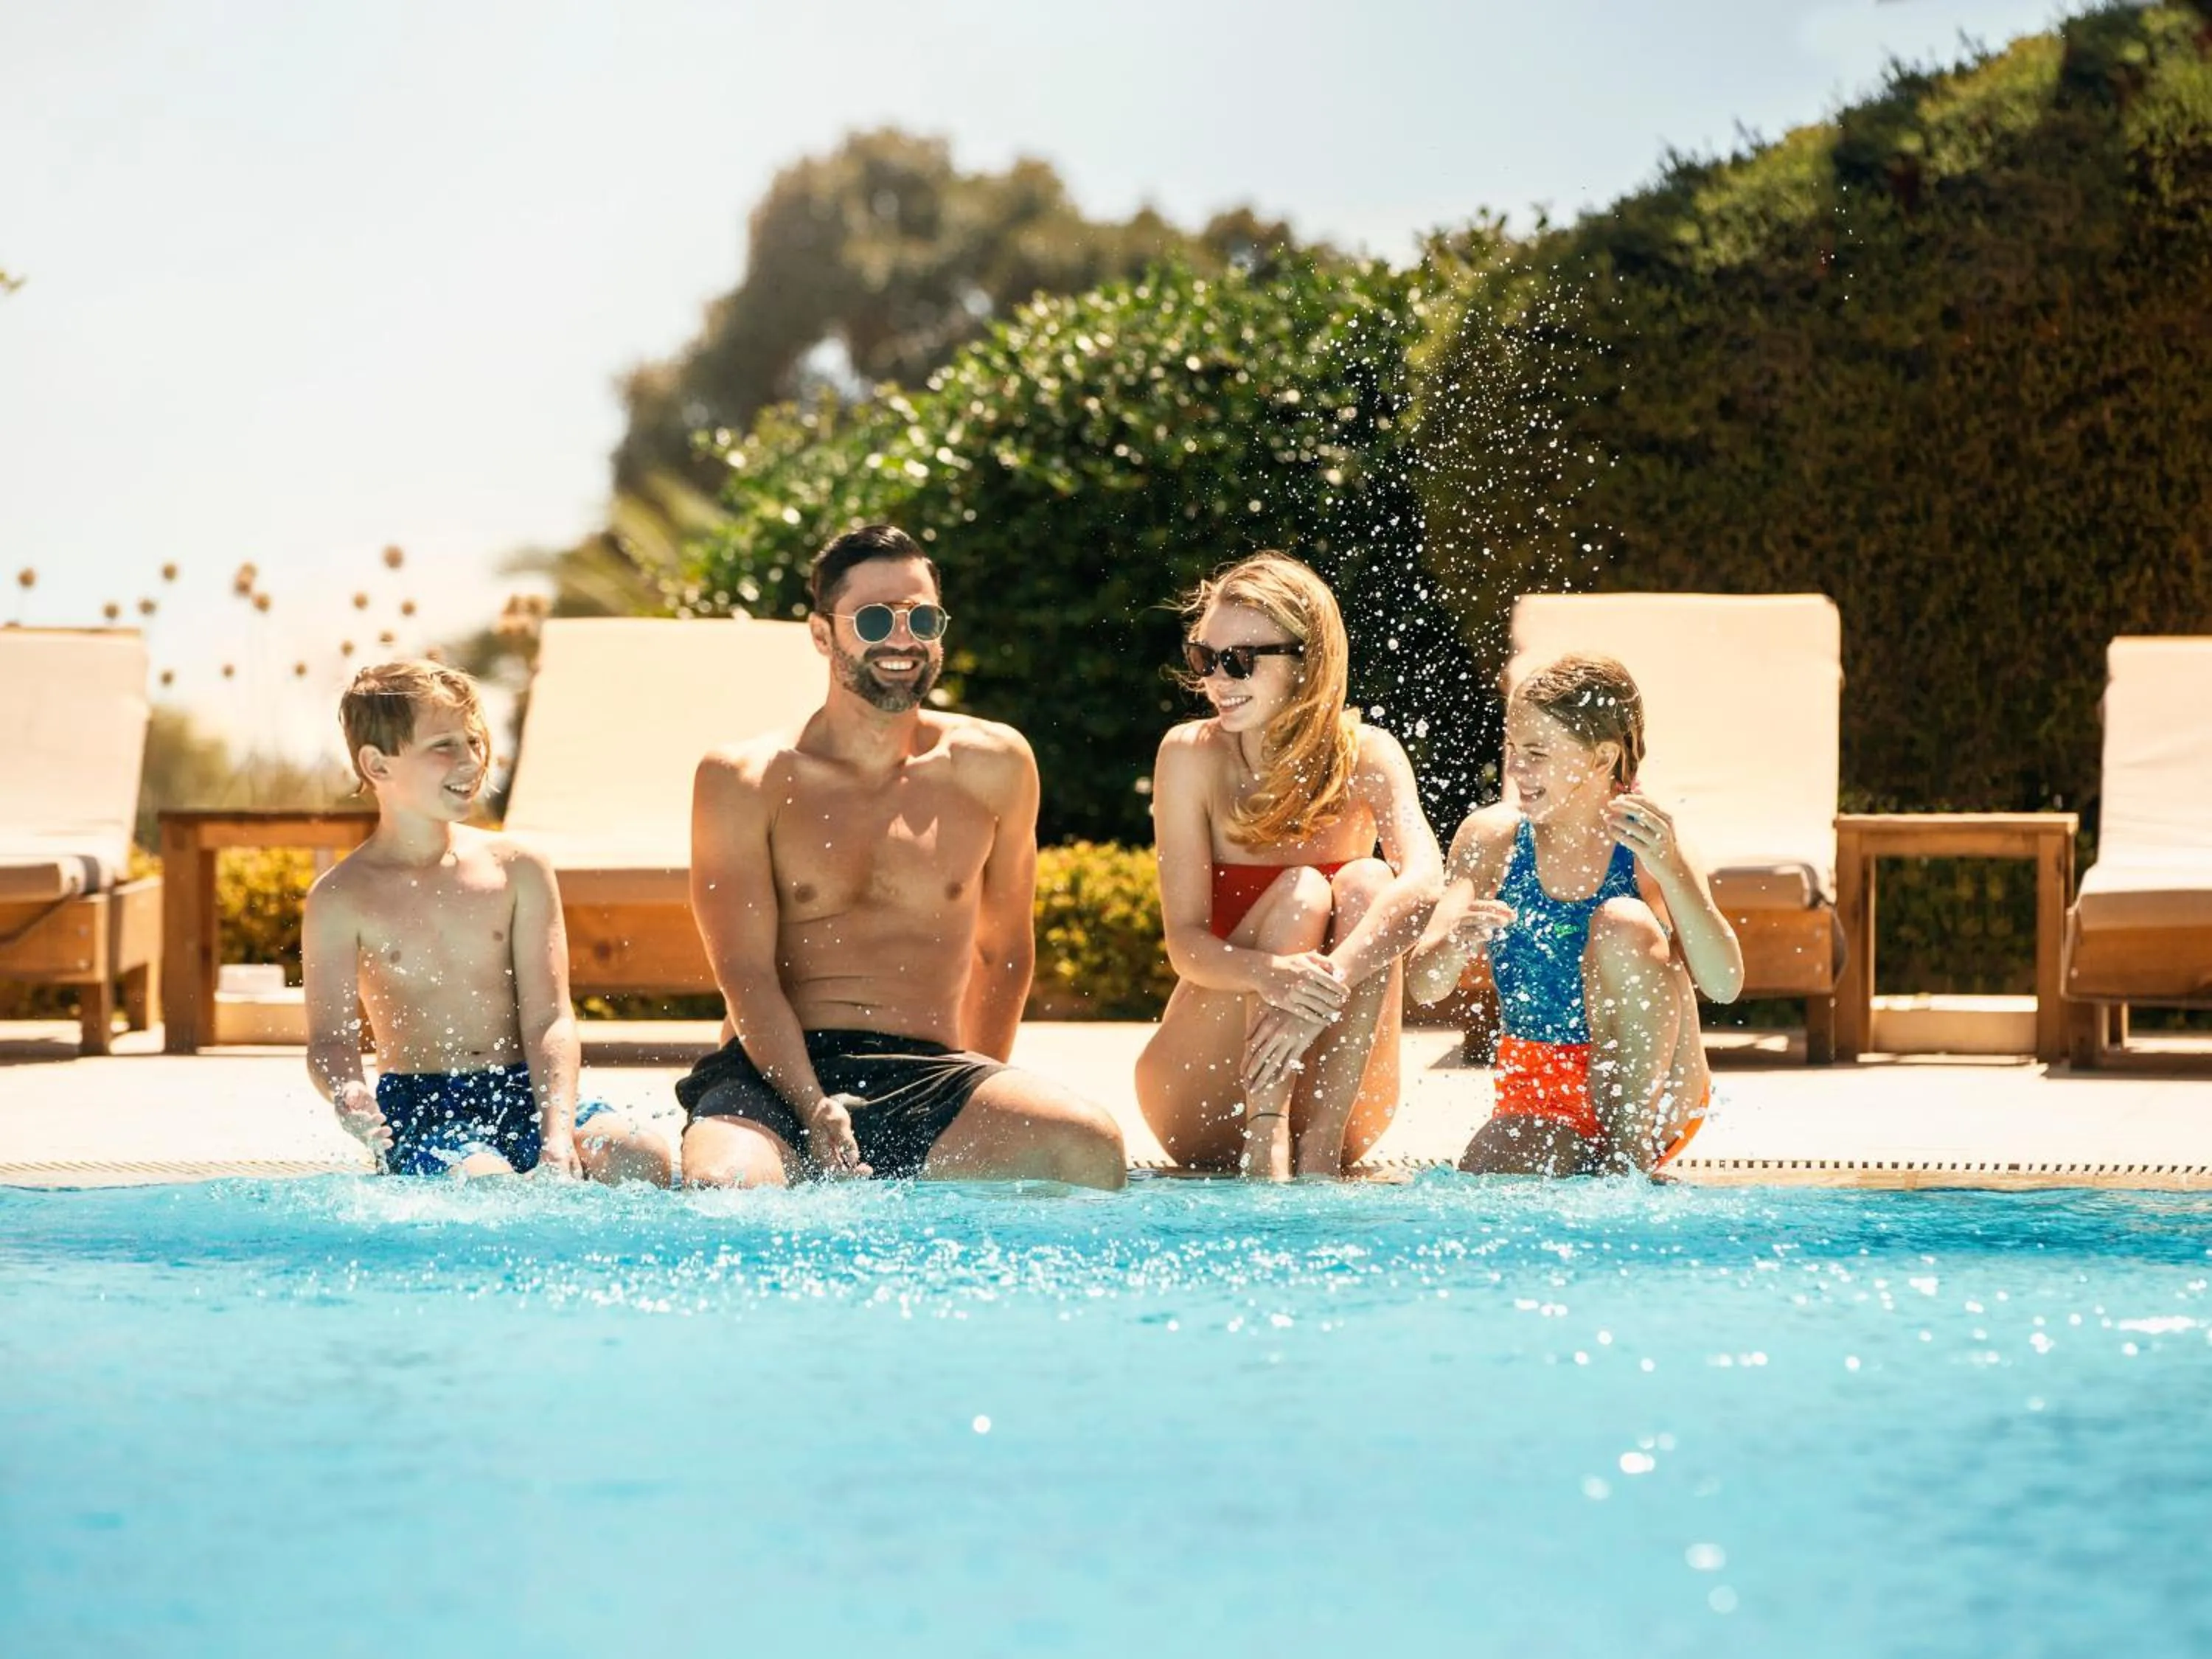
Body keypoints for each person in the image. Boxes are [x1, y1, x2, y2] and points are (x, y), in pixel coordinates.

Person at [676, 524, 1126, 1189]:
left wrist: (977, 1084)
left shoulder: (993, 766)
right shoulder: (745, 779)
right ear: (822, 635)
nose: (902, 639)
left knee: (1088, 1149)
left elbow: (1004, 951)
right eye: (874, 619)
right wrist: (812, 1105)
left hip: (926, 1072)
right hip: (773, 1076)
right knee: (729, 1194)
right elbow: (745, 973)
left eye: (922, 618)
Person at [1134, 552, 1444, 1180]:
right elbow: (1187, 946)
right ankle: (1266, 1128)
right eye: (1204, 658)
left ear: (1308, 662)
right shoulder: (1190, 756)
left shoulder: (1370, 756)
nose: (1217, 680)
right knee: (1302, 890)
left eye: (1240, 660)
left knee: (1370, 882)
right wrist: (1273, 975)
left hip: (1346, 1110)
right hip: (1204, 1095)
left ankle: (1319, 1143)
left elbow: (1426, 883)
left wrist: (1328, 980)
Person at [303, 661, 673, 1182]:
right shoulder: (341, 897)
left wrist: (556, 1132)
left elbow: (550, 1019)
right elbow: (330, 1041)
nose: (472, 760)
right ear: (378, 765)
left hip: (525, 1089)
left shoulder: (517, 868)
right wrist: (348, 1090)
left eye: (474, 741)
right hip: (423, 1106)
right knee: (486, 1185)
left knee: (640, 1155)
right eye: (444, 746)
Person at [1408, 653, 1744, 1176]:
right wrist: (1456, 942)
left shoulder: (1647, 846)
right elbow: (1425, 984)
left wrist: (1674, 871)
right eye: (1513, 749)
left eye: (1537, 753)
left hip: (1654, 1091)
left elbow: (1724, 984)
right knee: (1485, 1173)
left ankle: (1627, 1158)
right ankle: (1601, 1167)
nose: (1516, 769)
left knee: (1624, 921)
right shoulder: (1493, 839)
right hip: (1541, 1088)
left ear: (1602, 758)